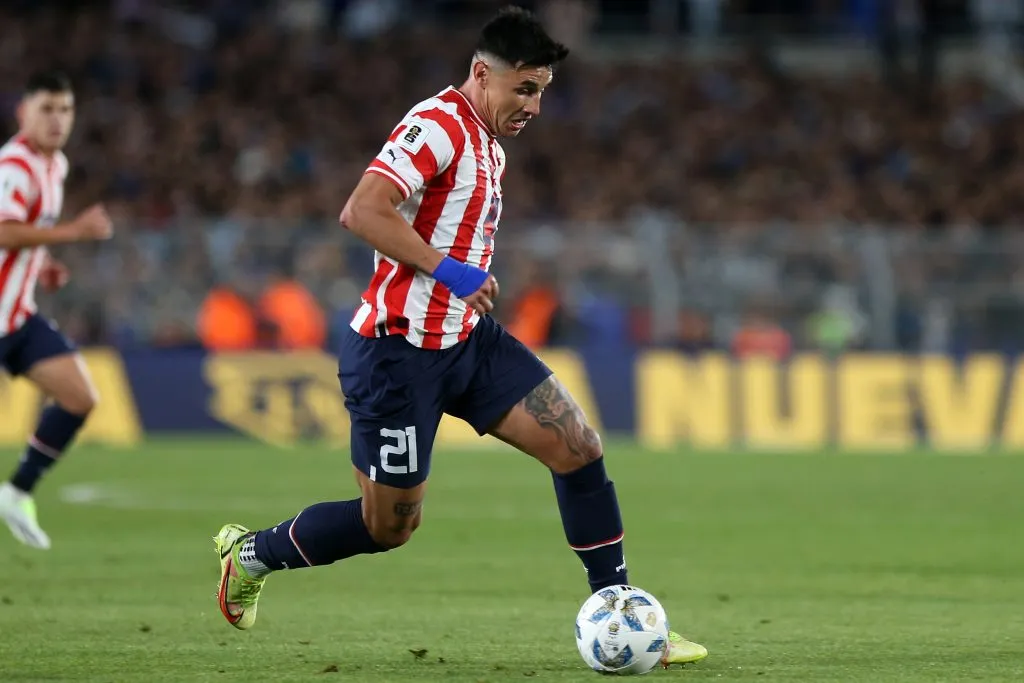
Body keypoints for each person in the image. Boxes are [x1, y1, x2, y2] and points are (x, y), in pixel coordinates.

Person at [211, 6, 706, 666]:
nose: (533, 105)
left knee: (579, 446)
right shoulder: (437, 126)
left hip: (467, 342)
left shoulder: (490, 145)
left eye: (541, 93)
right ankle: (251, 554)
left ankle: (623, 613)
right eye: (524, 89)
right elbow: (362, 208)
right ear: (482, 73)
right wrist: (448, 269)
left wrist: (457, 285)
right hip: (395, 353)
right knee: (386, 526)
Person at [0, 70, 114, 549]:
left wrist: (43, 263)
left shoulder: (56, 166)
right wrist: (73, 234)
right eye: (47, 108)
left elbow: (23, 237)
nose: (57, 119)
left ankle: (16, 492)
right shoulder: (14, 166)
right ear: (23, 112)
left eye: (65, 109)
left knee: (80, 397)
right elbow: (5, 231)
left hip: (17, 316)